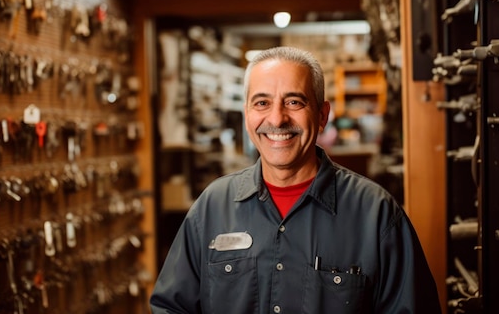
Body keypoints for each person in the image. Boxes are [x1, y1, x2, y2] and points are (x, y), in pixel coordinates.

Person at [150, 46, 441, 313]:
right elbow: (170, 307)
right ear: (247, 114)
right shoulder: (211, 207)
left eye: (294, 102)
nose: (277, 119)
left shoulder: (376, 214)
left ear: (322, 115)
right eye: (262, 102)